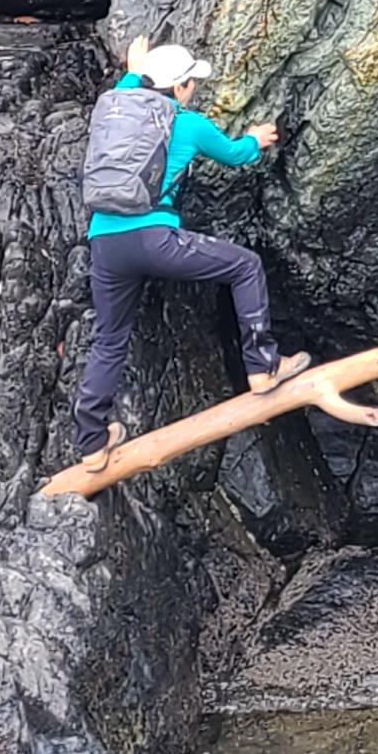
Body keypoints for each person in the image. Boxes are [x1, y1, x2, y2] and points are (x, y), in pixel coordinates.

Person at [72, 40, 305, 461]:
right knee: (246, 267)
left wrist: (135, 70)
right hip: (155, 240)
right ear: (179, 87)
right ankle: (263, 367)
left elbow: (128, 89)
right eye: (191, 82)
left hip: (104, 243)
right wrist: (255, 139)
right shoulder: (188, 123)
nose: (193, 89)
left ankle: (91, 443)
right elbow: (235, 155)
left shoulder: (115, 111)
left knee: (109, 339)